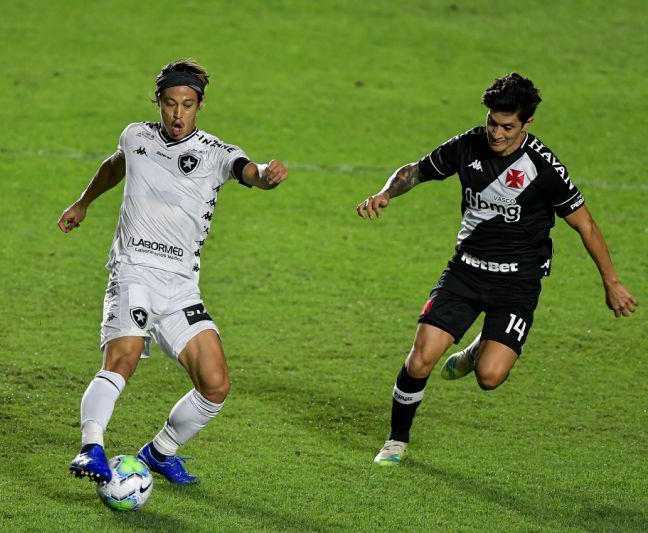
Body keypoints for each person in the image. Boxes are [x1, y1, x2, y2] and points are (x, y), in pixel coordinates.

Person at [356, 72, 638, 466]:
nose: (497, 133)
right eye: (493, 122)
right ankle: (396, 441)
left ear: (526, 124)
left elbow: (585, 224)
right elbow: (416, 171)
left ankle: (478, 351)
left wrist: (612, 282)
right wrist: (386, 193)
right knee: (420, 358)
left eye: (507, 126)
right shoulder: (467, 145)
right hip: (466, 271)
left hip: (518, 284)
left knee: (490, 376)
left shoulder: (543, 167)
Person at [58, 59, 288, 484]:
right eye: (170, 103)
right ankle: (91, 448)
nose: (178, 114)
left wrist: (267, 178)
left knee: (215, 384)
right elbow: (115, 165)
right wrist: (83, 202)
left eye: (187, 104)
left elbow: (249, 172)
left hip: (181, 286)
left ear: (199, 105)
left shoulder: (217, 153)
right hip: (134, 272)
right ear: (158, 103)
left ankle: (159, 453)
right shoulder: (136, 136)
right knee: (123, 359)